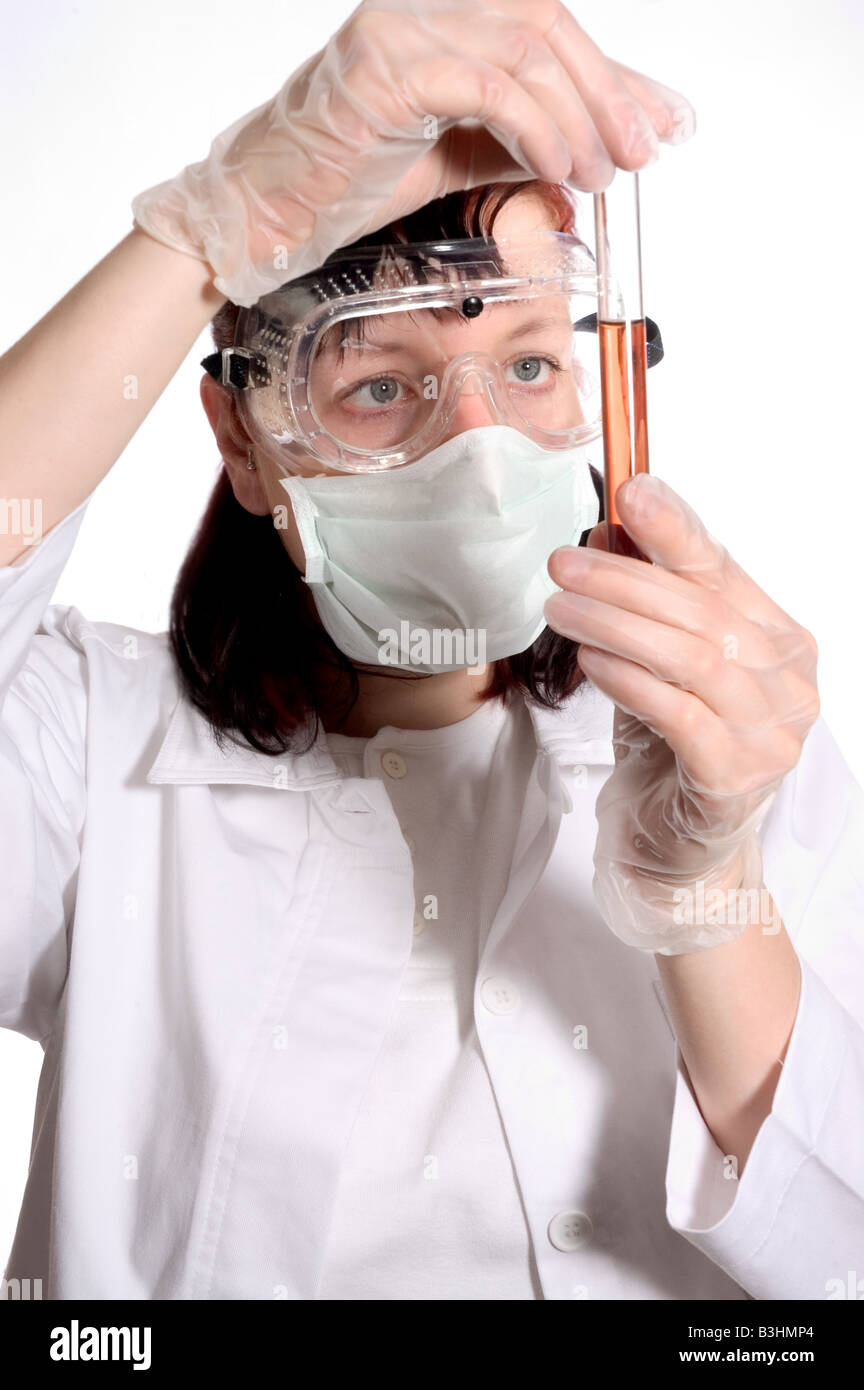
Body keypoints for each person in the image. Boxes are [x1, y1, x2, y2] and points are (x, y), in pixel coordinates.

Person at [0, 0, 861, 1302]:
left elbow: (839, 1253)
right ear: (247, 439)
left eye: (525, 365)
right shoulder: (86, 745)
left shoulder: (722, 746)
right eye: (382, 383)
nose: (477, 449)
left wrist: (706, 898)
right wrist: (203, 230)